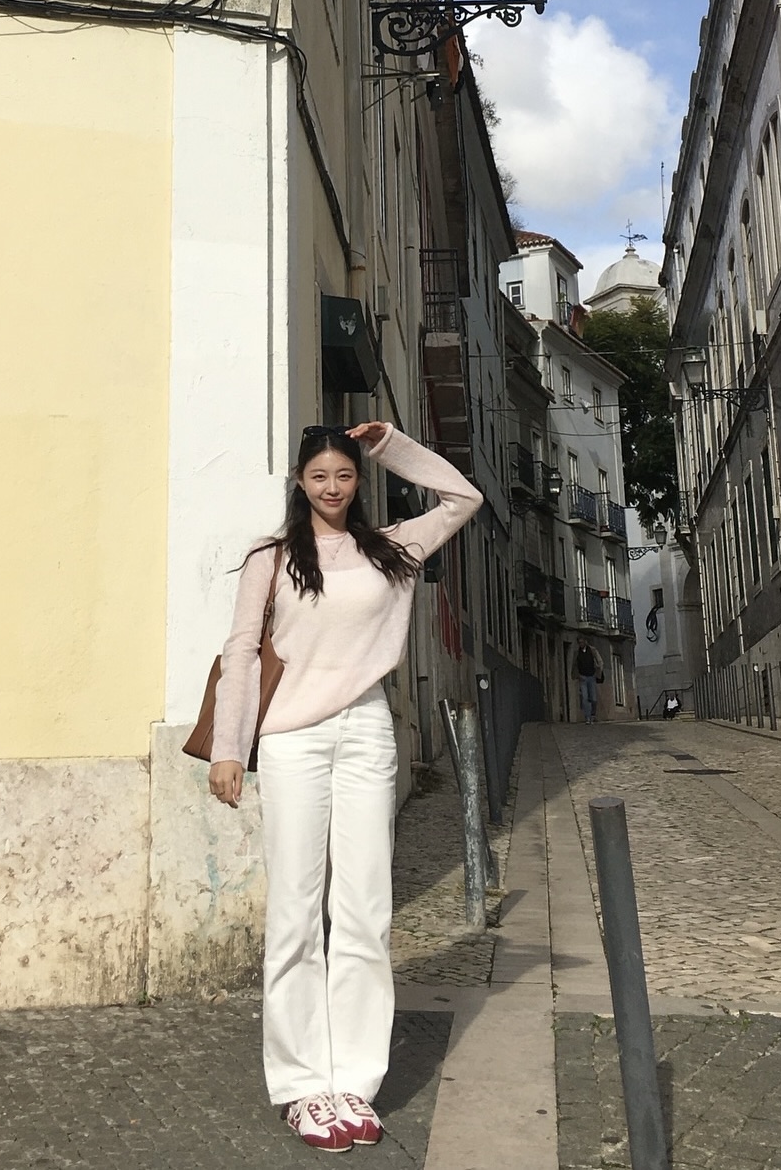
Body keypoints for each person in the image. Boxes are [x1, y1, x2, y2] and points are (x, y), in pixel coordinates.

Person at [208, 421, 481, 1151]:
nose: (332, 487)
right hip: (292, 737)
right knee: (296, 911)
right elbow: (241, 651)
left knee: (365, 909)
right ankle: (303, 1086)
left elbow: (464, 499)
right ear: (300, 482)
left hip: (366, 731)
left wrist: (391, 445)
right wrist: (229, 747)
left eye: (345, 474)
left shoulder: (391, 549)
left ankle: (354, 1082)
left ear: (359, 481)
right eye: (319, 475)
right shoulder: (271, 558)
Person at [571, 638, 604, 724]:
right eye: (579, 642)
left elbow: (599, 661)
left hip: (592, 677)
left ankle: (593, 715)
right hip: (583, 677)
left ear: (586, 642)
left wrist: (598, 671)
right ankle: (587, 718)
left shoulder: (592, 650)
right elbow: (574, 665)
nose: (581, 644)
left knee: (593, 698)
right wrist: (577, 675)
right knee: (585, 698)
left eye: (582, 642)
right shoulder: (577, 653)